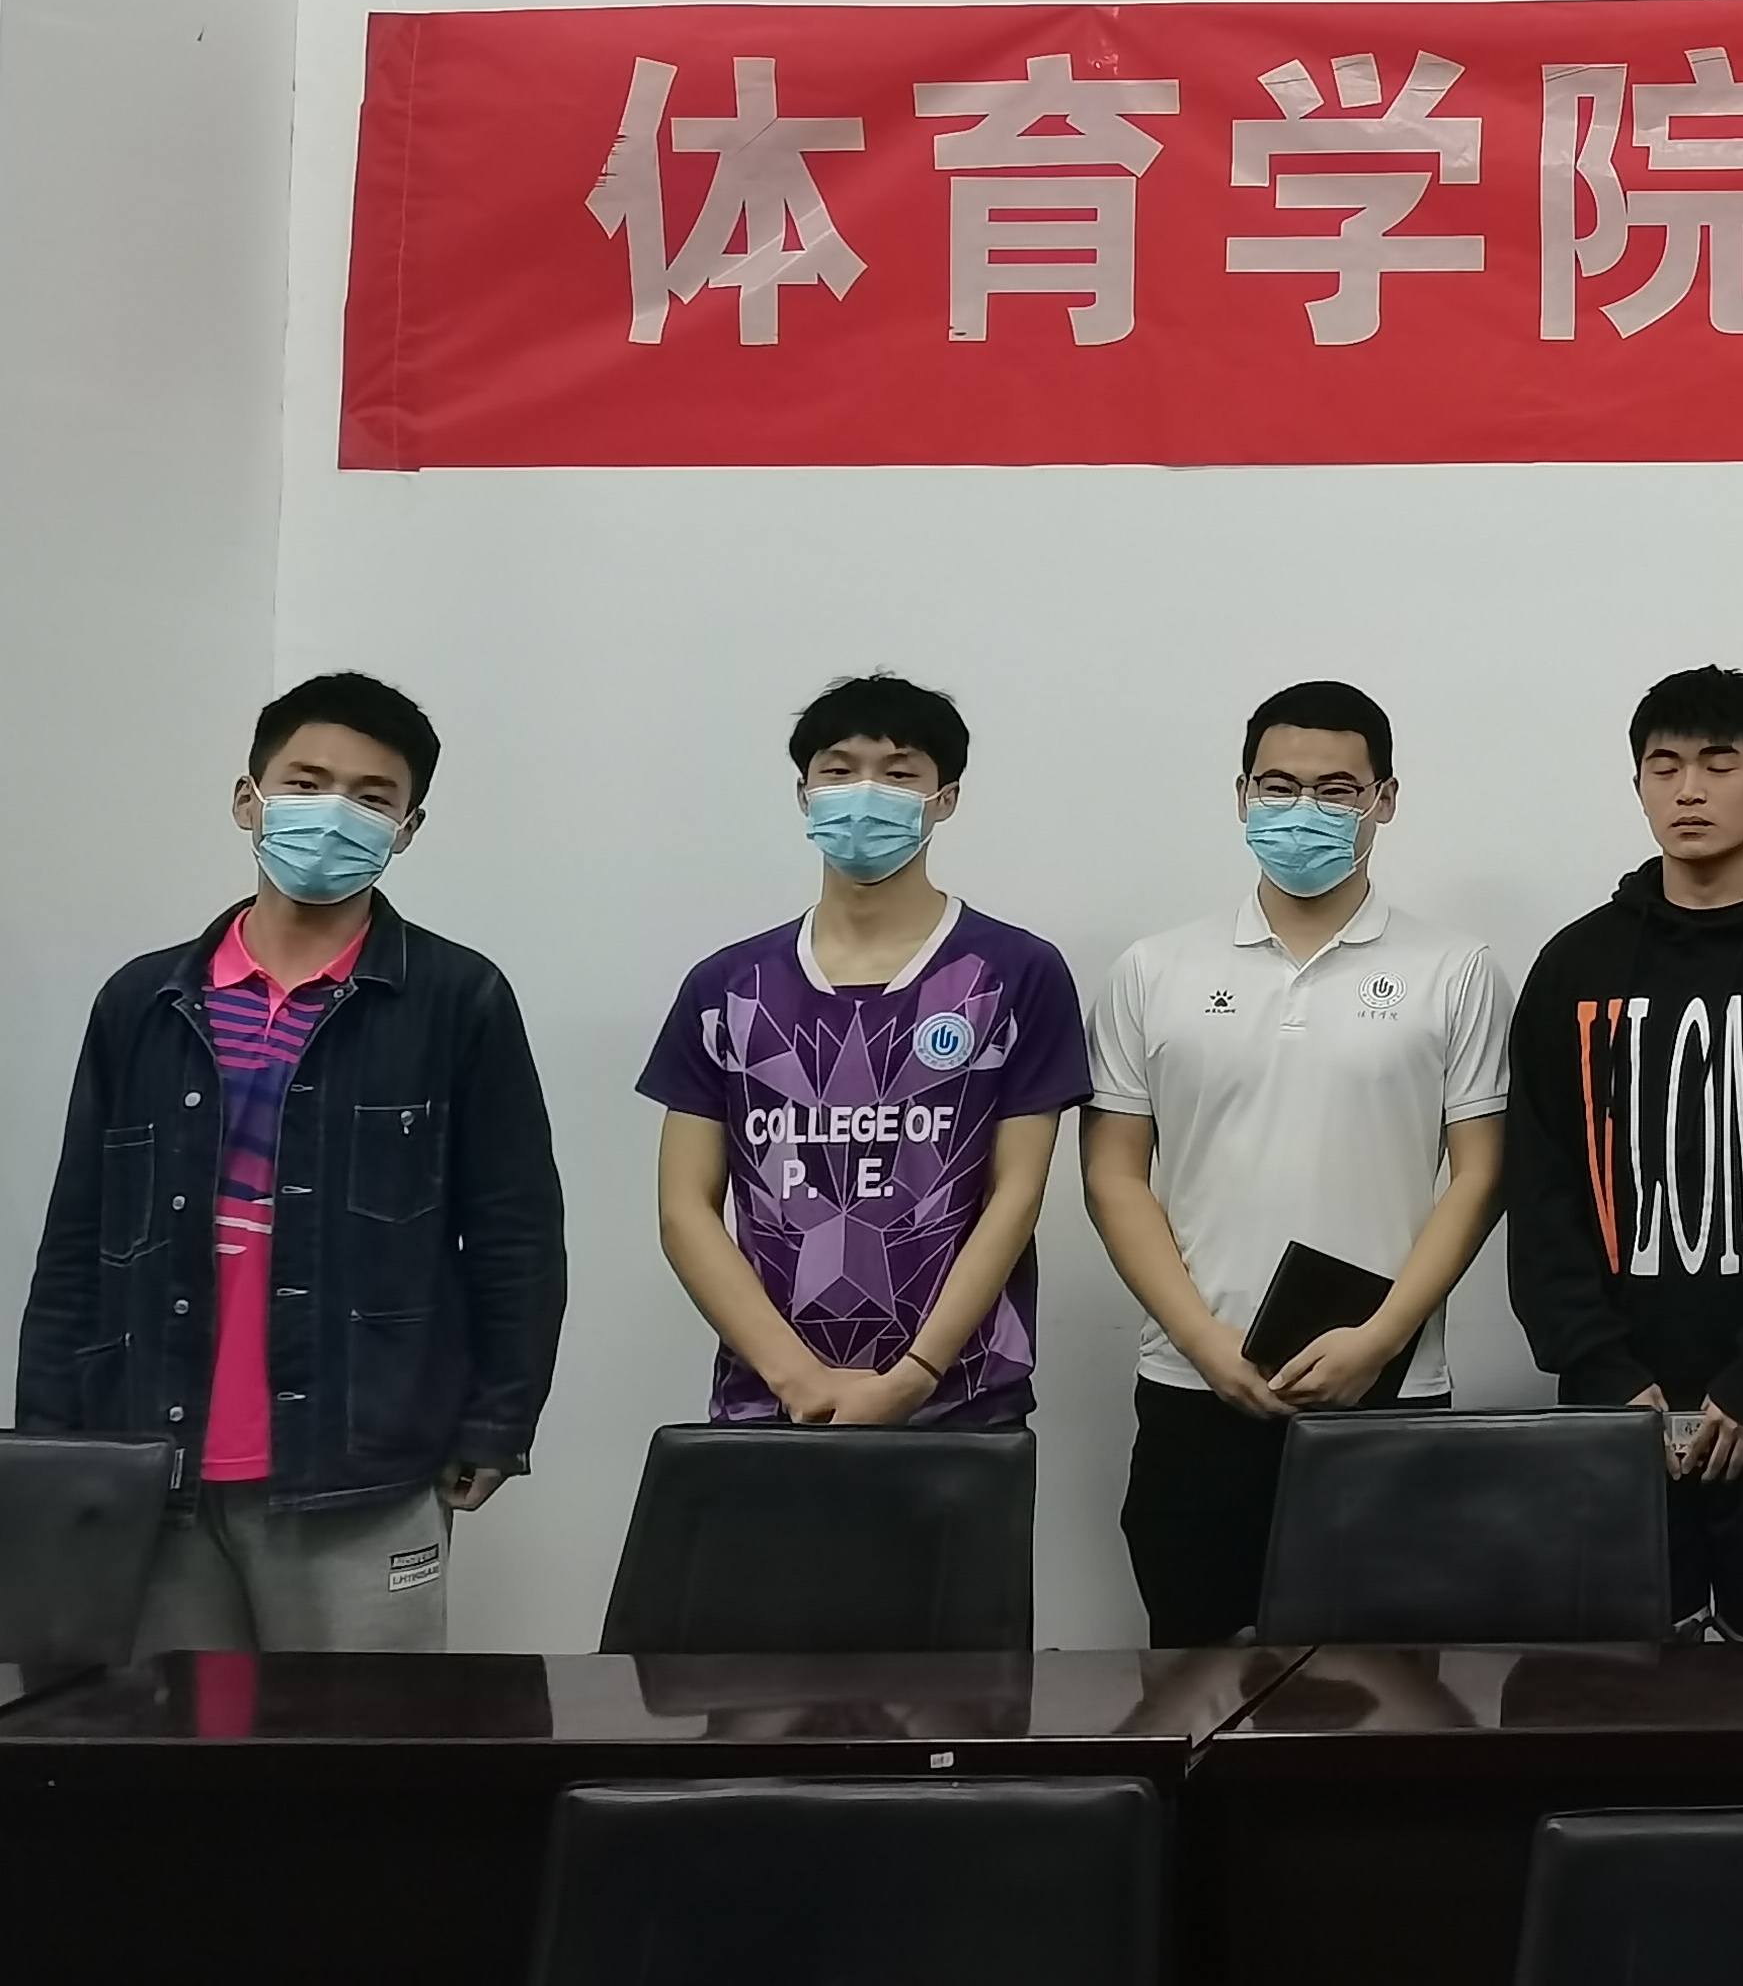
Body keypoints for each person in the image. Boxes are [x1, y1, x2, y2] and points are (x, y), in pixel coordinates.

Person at [15, 673, 564, 1652]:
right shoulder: (142, 1001)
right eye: (306, 783)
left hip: (365, 1466)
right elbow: (78, 1235)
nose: (333, 813)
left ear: (408, 828)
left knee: (360, 1737)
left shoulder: (458, 998)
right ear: (248, 798)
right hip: (150, 1457)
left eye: (371, 796)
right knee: (175, 1736)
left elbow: (515, 1232)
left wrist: (498, 1422)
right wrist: (49, 1443)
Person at [1082, 679, 1509, 1644]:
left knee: (1383, 1691)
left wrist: (1383, 1338)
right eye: (1277, 786)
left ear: (1384, 800)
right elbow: (1112, 1174)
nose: (1302, 810)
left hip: (1384, 1388)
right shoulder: (1155, 970)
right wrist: (1203, 1341)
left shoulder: (1457, 970)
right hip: (1194, 1383)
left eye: (1336, 789)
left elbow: (1481, 1174)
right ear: (1241, 796)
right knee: (1192, 1682)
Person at [1507, 664, 1743, 1637]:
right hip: (1615, 1419)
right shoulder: (1575, 965)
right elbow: (1542, 1185)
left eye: (1719, 765)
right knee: (1619, 1706)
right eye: (1664, 766)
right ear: (1637, 782)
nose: (1688, 790)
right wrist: (1603, 1375)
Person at [643, 673, 1089, 1431]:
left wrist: (916, 1375)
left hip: (964, 1402)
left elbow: (1015, 1195)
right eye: (839, 770)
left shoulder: (1015, 973)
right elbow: (685, 1208)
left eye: (899, 774)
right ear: (804, 794)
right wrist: (796, 1380)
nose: (865, 794)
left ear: (946, 798)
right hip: (768, 1406)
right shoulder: (728, 987)